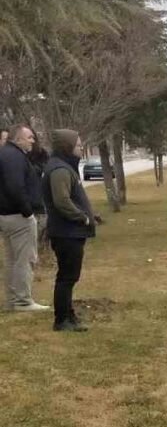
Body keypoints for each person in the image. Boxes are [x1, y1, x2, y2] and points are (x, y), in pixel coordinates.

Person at [43, 130, 101, 332]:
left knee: (70, 276)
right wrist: (82, 217)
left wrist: (91, 215)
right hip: (66, 232)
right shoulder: (59, 170)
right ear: (67, 147)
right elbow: (62, 201)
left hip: (70, 232)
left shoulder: (65, 167)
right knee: (67, 277)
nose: (81, 147)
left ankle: (69, 315)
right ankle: (61, 320)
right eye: (78, 144)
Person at [0, 124, 48, 312]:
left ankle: (13, 300)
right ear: (18, 138)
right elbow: (15, 186)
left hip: (7, 216)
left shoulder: (6, 154)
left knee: (12, 259)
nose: (33, 141)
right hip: (18, 217)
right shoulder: (14, 157)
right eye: (29, 137)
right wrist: (28, 211)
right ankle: (22, 301)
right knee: (24, 259)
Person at [26, 129, 50, 253]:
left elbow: (45, 168)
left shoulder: (42, 154)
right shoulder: (20, 155)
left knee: (42, 225)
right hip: (27, 200)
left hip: (39, 197)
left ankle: (42, 250)